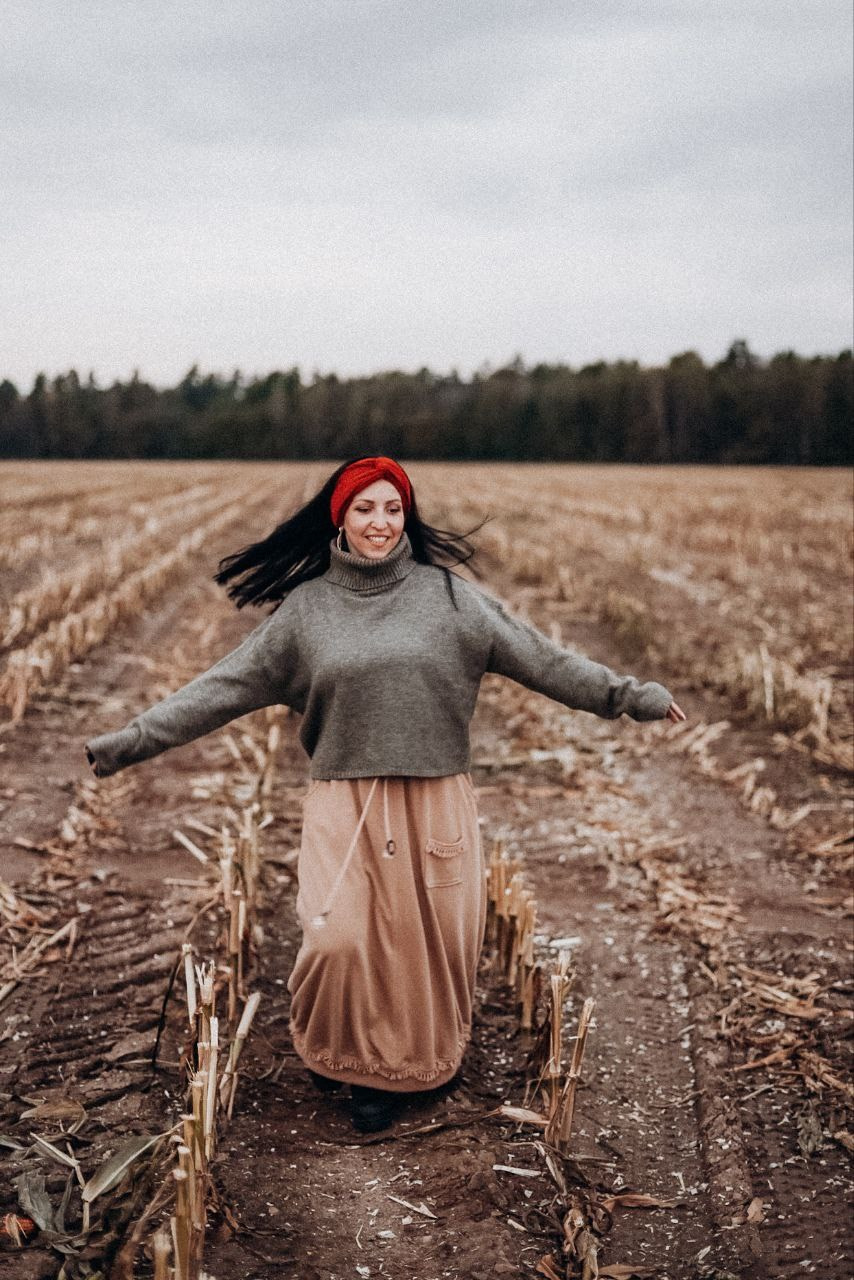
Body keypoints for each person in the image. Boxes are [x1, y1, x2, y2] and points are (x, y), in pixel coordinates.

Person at [85, 456, 686, 1133]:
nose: (380, 522)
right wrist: (127, 742)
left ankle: (392, 1072)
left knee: (426, 948)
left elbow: (547, 660)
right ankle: (334, 1045)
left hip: (435, 798)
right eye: (365, 508)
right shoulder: (307, 611)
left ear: (407, 516)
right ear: (340, 515)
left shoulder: (451, 599)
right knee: (338, 939)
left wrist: (632, 697)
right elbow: (219, 689)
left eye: (393, 508)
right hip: (344, 798)